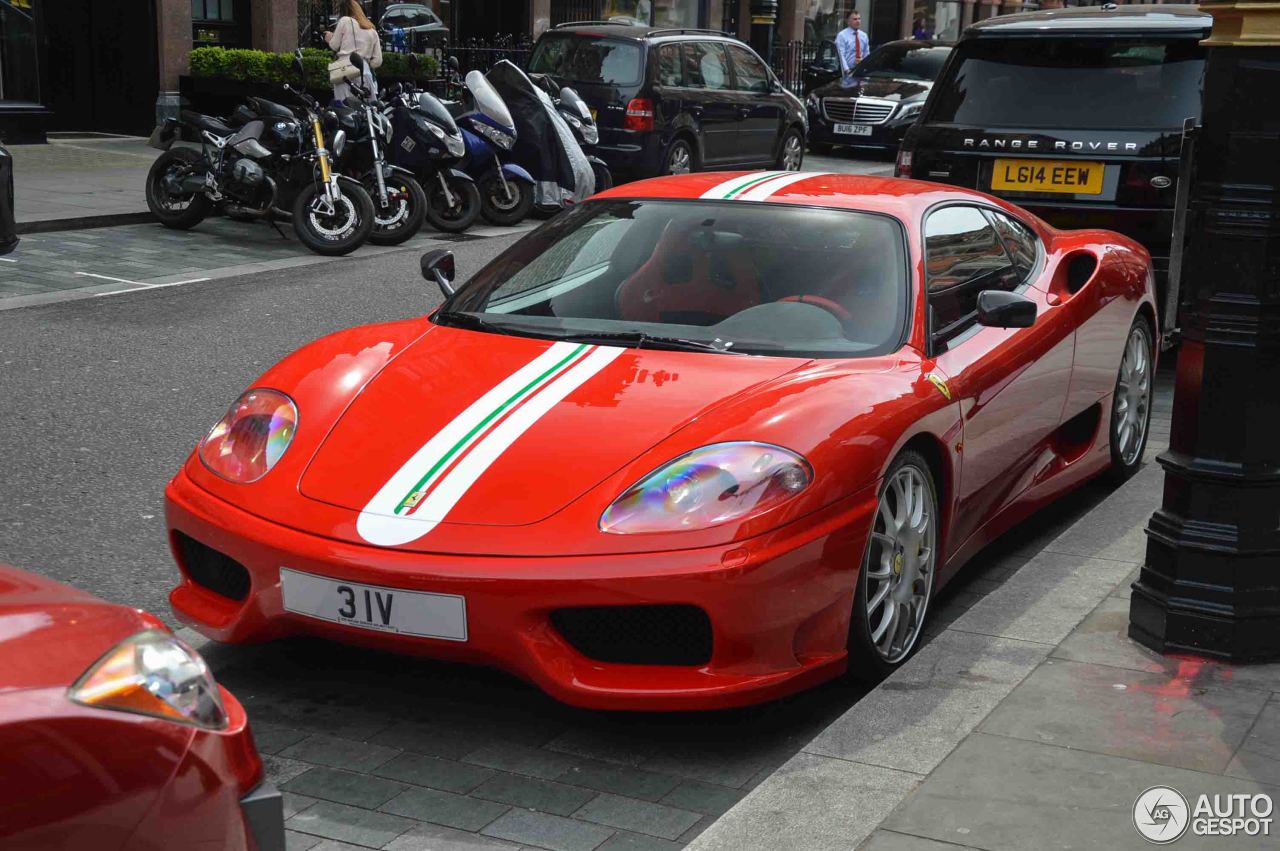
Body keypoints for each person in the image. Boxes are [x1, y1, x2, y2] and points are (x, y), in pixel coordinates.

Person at [324, 0, 382, 104]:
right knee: (366, 110)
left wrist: (329, 38)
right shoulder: (372, 29)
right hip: (365, 72)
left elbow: (334, 45)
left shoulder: (345, 21)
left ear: (343, 12)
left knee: (346, 110)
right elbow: (377, 61)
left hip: (344, 70)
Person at [835, 10, 870, 89]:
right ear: (848, 21)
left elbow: (866, 54)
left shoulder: (864, 36)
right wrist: (847, 71)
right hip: (846, 73)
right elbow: (841, 55)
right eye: (855, 19)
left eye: (859, 19)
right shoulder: (842, 35)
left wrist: (865, 69)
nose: (858, 21)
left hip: (860, 73)